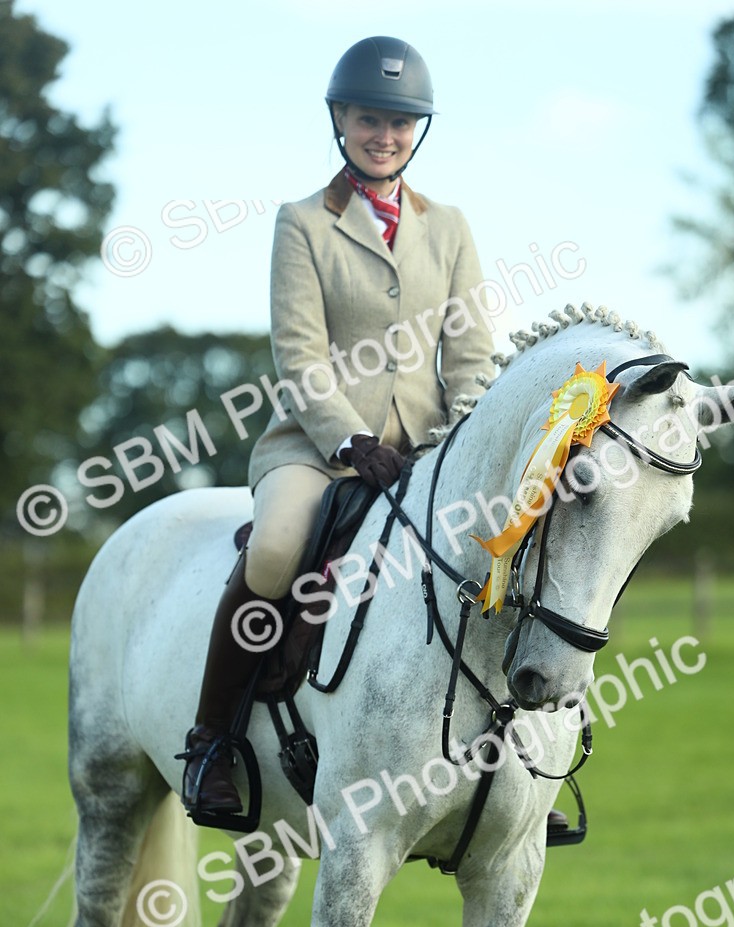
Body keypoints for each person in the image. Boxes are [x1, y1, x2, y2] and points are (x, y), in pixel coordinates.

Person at [179, 35, 498, 818]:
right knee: (277, 551)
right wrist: (350, 440)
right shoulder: (301, 224)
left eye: (399, 121)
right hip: (318, 451)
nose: (383, 135)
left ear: (417, 129)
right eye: (368, 119)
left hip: (423, 452)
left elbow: (471, 354)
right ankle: (211, 742)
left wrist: (465, 438)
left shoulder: (450, 227)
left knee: (503, 549)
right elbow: (300, 354)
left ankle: (516, 757)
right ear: (339, 120)